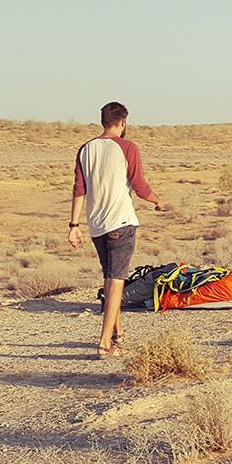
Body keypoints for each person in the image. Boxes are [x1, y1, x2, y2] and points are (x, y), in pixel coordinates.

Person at [68, 101, 165, 358]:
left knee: (111, 278)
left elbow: (79, 190)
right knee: (117, 279)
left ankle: (117, 333)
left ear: (103, 121)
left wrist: (74, 225)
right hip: (121, 222)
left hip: (97, 225)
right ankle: (103, 344)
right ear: (123, 122)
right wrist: (157, 200)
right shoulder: (127, 147)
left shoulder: (86, 149)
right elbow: (140, 186)